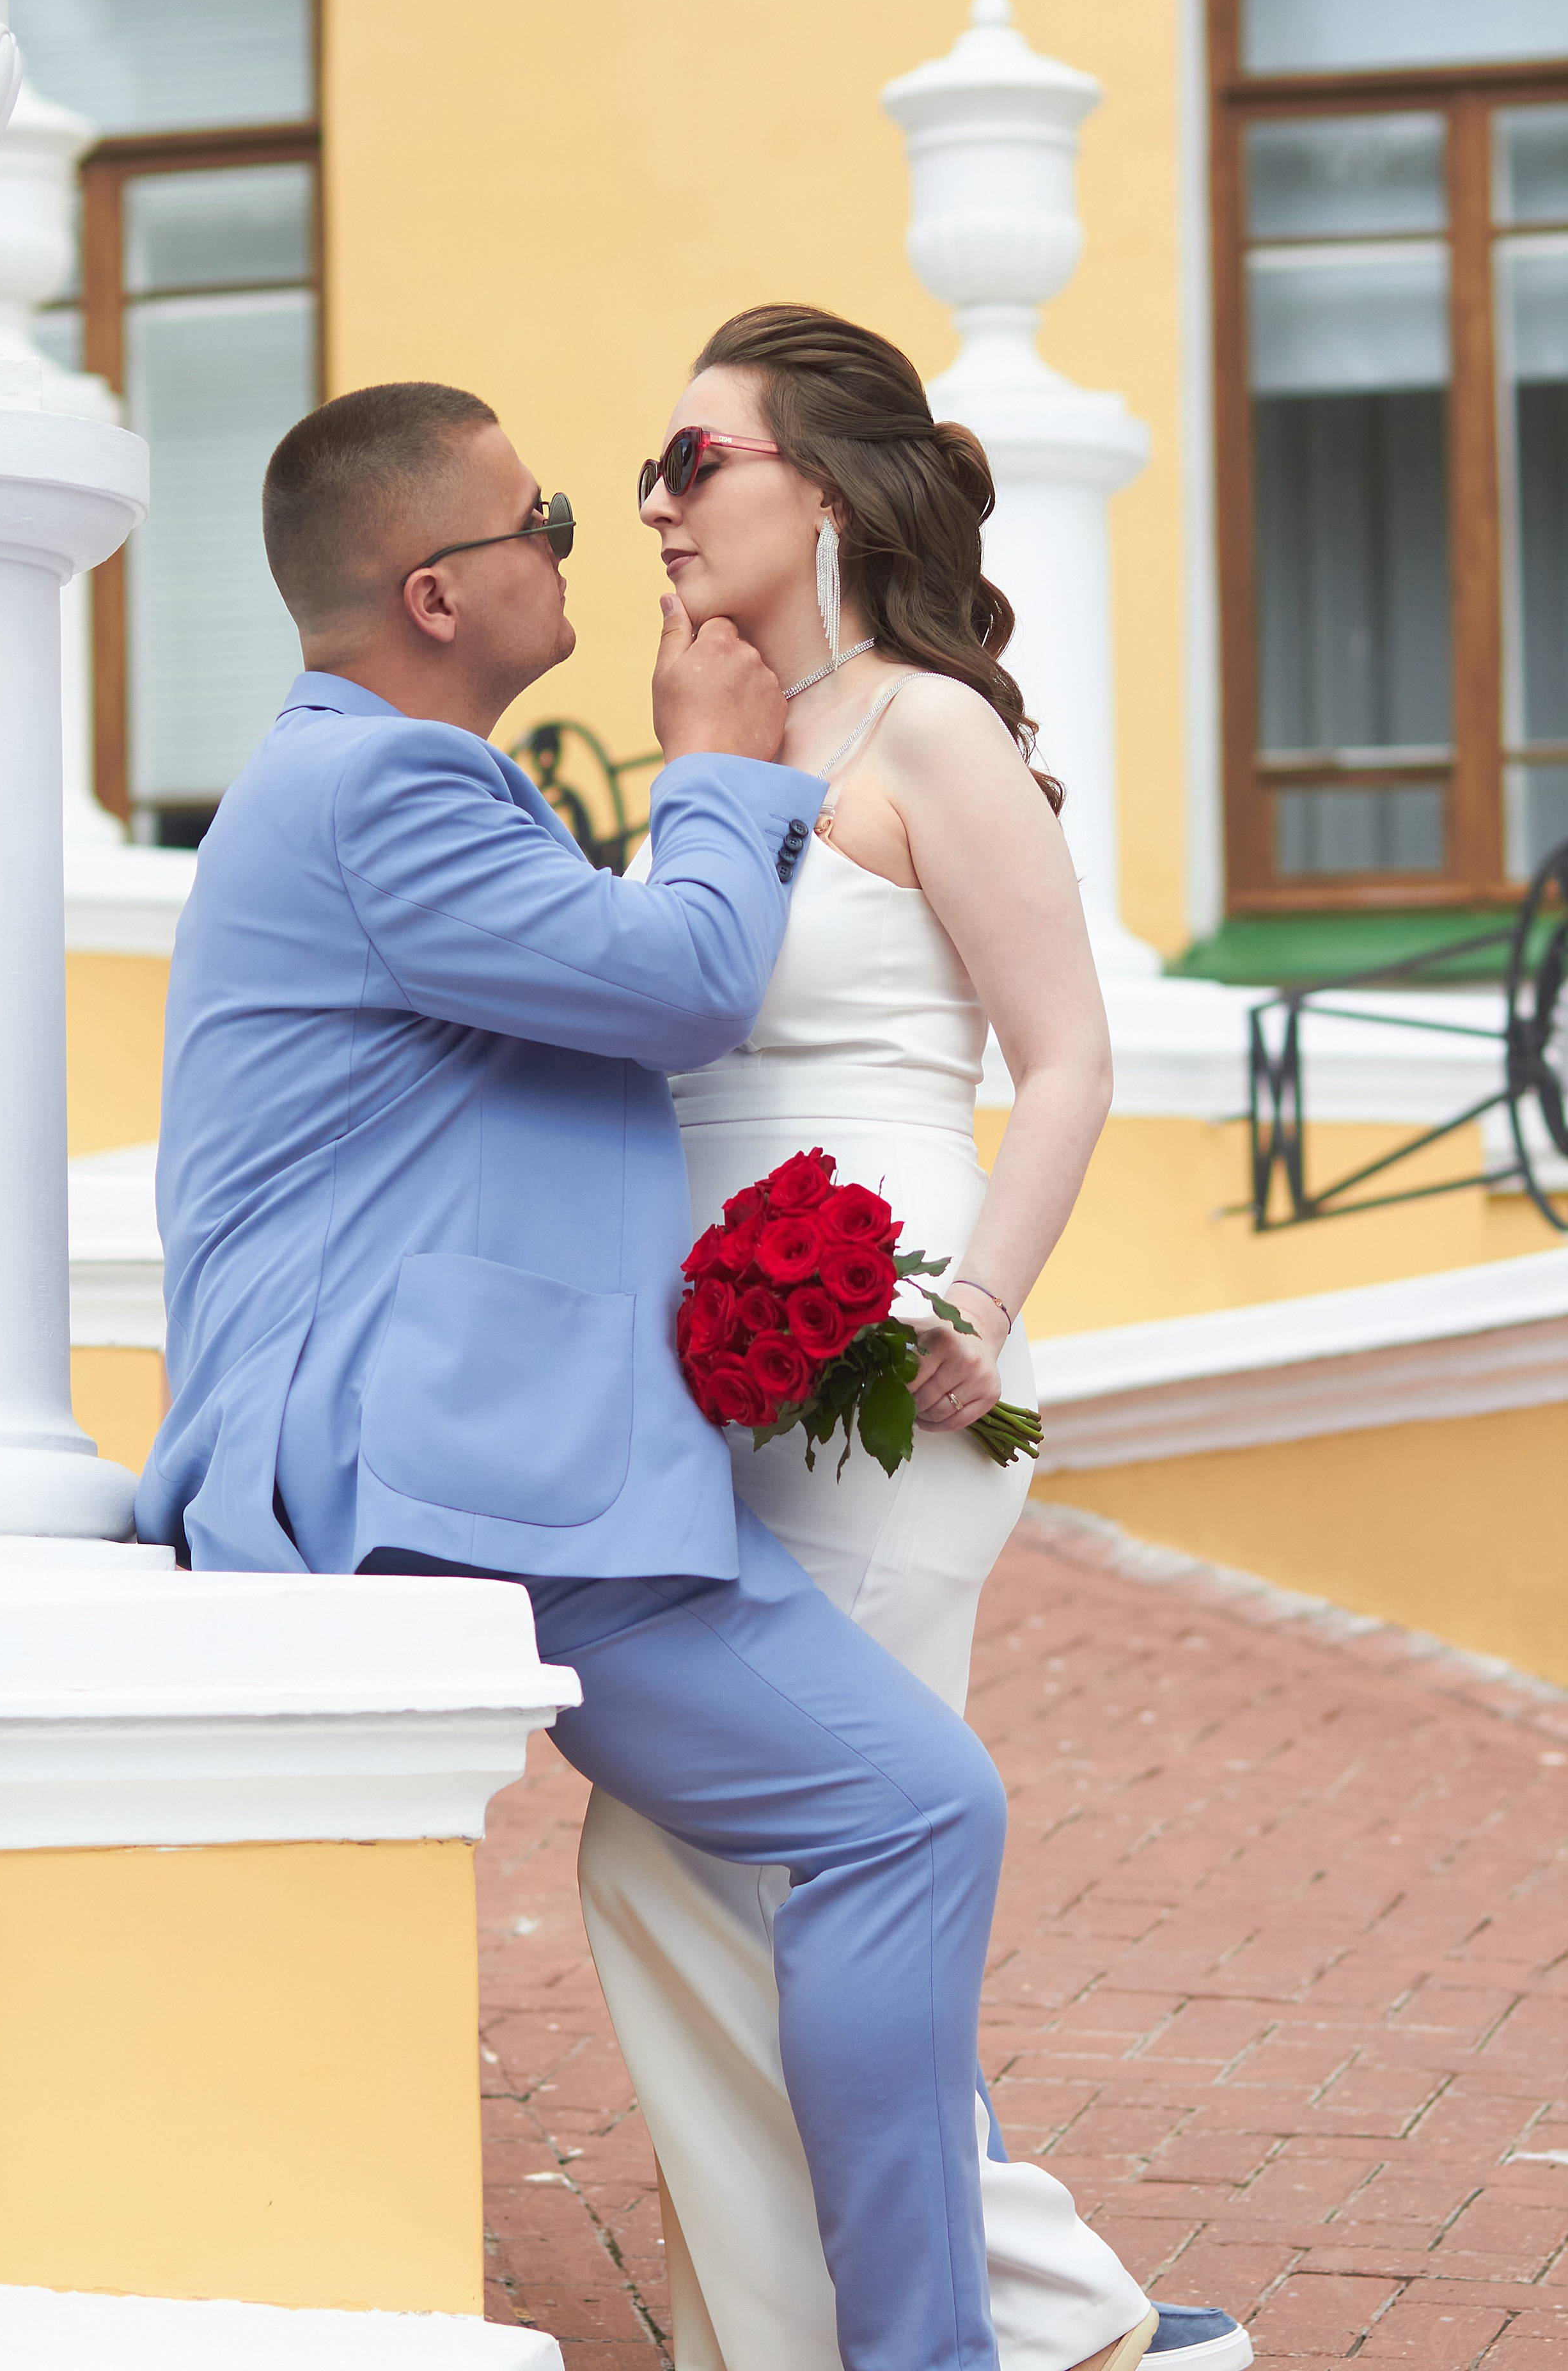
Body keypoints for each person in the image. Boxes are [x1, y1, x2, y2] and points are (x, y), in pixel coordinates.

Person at [135, 381, 1027, 2371]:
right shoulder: (389, 791)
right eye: (540, 513)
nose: (585, 534)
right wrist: (711, 765)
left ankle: (960, 2323)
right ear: (438, 596)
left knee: (866, 1822)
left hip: (462, 1451)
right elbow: (688, 985)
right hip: (448, 1466)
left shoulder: (357, 781)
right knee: (913, 1812)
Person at [576, 308, 1253, 2371]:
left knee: (795, 1856)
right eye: (655, 471)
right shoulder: (720, 738)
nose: (660, 504)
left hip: (885, 1367)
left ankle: (1003, 2327)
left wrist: (974, 1311)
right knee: (680, 1854)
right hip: (701, 1379)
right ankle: (1023, 2320)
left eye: (697, 459)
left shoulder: (925, 732)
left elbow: (1064, 1059)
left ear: (829, 487)